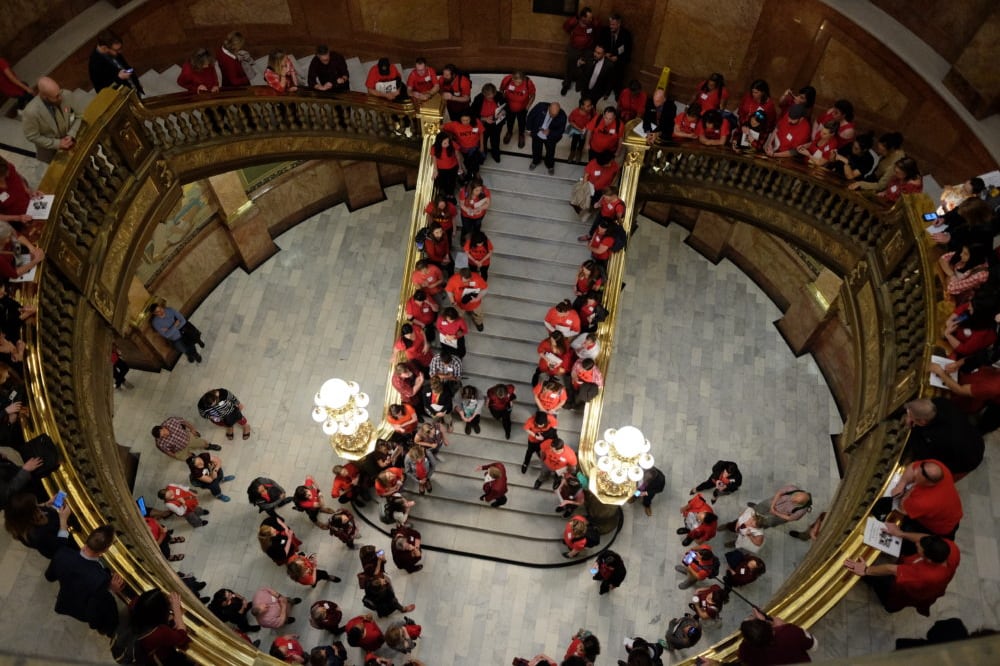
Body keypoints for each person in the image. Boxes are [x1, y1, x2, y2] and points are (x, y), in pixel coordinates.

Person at [844, 523, 959, 615]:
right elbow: (925, 538)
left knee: (885, 587)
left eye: (920, 548)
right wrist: (900, 533)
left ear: (928, 559)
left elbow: (891, 569)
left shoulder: (925, 575)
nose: (917, 544)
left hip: (909, 589)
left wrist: (866, 570)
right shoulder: (950, 548)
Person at [44, 525, 123, 636]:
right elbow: (94, 609)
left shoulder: (62, 554)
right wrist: (111, 590)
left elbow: (49, 577)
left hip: (66, 600)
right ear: (105, 550)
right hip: (83, 610)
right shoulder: (101, 578)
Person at [886, 459, 963, 538]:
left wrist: (909, 491)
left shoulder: (924, 502)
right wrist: (901, 484)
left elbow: (902, 508)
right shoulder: (938, 469)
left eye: (917, 476)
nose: (915, 472)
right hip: (951, 510)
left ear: (928, 482)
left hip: (942, 526)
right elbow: (912, 467)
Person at [21, 77, 83, 163]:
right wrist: (57, 143)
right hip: (51, 152)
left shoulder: (66, 94)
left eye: (59, 92)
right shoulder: (30, 112)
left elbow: (80, 116)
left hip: (73, 142)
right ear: (45, 97)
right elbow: (32, 136)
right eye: (56, 97)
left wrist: (71, 134)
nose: (61, 97)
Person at [3, 490, 72, 559]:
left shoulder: (24, 520)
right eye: (36, 508)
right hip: (62, 545)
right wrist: (63, 521)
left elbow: (39, 509)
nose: (39, 508)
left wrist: (47, 504)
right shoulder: (39, 535)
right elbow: (60, 545)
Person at [131, 589, 193, 664]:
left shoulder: (135, 604)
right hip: (161, 657)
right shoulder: (160, 633)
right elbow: (182, 638)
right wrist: (176, 609)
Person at [738, 608, 817, 665]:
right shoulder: (789, 632)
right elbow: (814, 645)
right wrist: (784, 625)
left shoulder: (745, 650)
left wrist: (761, 627)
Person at [89, 31, 143, 96]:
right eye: (117, 50)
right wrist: (119, 78)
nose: (120, 52)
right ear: (104, 48)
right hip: (123, 97)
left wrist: (137, 84)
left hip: (134, 90)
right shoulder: (95, 64)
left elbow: (125, 66)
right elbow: (101, 91)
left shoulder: (114, 52)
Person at [560, 7, 600, 96]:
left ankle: (580, 84)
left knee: (588, 66)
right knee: (570, 64)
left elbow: (598, 31)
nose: (591, 19)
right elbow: (565, 27)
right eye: (589, 17)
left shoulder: (592, 24)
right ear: (583, 17)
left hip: (587, 49)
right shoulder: (575, 22)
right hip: (574, 48)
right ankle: (566, 84)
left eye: (591, 17)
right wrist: (574, 19)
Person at [443, 110, 486, 184]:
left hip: (474, 148)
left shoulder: (476, 122)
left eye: (467, 120)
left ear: (471, 119)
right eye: (463, 120)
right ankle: (474, 174)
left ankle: (475, 174)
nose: (465, 122)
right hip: (462, 149)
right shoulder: (455, 125)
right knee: (467, 162)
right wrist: (449, 137)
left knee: (473, 160)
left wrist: (482, 146)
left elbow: (481, 132)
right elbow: (442, 127)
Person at [151, 416, 221, 460]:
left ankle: (208, 446)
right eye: (162, 436)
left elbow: (184, 422)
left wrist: (192, 429)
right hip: (179, 449)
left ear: (162, 427)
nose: (165, 435)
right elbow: (167, 451)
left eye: (163, 432)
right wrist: (174, 456)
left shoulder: (171, 421)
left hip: (188, 438)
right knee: (188, 458)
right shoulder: (160, 442)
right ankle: (194, 457)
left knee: (202, 443)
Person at [527, 102, 567, 175]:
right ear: (549, 108)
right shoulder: (540, 107)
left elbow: (561, 130)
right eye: (551, 114)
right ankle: (535, 161)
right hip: (537, 134)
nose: (553, 117)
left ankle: (550, 165)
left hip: (550, 138)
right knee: (536, 149)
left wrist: (550, 132)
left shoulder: (562, 116)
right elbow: (530, 116)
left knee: (550, 152)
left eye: (555, 115)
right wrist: (529, 129)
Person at [598, 13, 634, 95]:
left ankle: (617, 92)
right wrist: (604, 54)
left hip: (619, 62)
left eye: (613, 25)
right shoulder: (604, 31)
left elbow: (628, 52)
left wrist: (617, 58)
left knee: (619, 74)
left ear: (619, 24)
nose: (611, 26)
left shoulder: (626, 35)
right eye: (610, 24)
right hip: (605, 59)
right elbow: (599, 44)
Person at [748, 484, 812, 529]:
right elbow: (779, 493)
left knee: (770, 522)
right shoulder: (792, 488)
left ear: (801, 503)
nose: (792, 499)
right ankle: (756, 508)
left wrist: (775, 512)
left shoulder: (801, 511)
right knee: (762, 505)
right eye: (794, 496)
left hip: (781, 515)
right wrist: (772, 506)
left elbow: (790, 518)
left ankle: (762, 525)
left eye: (795, 501)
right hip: (774, 502)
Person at [471, 83, 506, 163]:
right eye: (488, 96)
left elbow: (505, 107)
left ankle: (495, 153)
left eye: (492, 95)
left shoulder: (499, 96)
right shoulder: (478, 99)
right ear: (484, 94)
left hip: (496, 123)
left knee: (495, 140)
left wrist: (502, 112)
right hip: (483, 124)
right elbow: (472, 113)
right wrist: (484, 119)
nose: (491, 98)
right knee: (483, 140)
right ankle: (483, 154)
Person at [445, 267, 487, 332]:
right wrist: (452, 301)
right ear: (460, 276)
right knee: (458, 315)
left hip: (475, 303)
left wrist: (477, 298)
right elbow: (449, 291)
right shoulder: (453, 280)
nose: (468, 282)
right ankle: (460, 325)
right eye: (465, 280)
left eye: (469, 280)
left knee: (479, 314)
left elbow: (485, 289)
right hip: (459, 303)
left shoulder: (477, 278)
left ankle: (479, 323)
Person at [501, 71, 536, 148]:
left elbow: (533, 95)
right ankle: (509, 132)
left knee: (522, 122)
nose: (517, 84)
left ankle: (521, 135)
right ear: (512, 78)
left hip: (522, 108)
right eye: (515, 81)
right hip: (509, 107)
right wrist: (503, 100)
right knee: (509, 121)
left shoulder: (528, 83)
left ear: (523, 79)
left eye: (519, 82)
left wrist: (528, 106)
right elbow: (501, 89)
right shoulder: (507, 79)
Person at [0, 158, 38, 229]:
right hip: (16, 220)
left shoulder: (7, 167)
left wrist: (27, 189)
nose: (8, 175)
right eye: (3, 176)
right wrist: (18, 218)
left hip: (30, 206)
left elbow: (18, 176)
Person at [457, 178, 491, 244]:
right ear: (471, 189)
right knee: (466, 228)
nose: (479, 192)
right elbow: (462, 204)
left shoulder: (485, 191)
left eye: (480, 190)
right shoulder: (464, 192)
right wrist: (469, 210)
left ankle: (475, 239)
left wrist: (480, 208)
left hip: (479, 215)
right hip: (466, 215)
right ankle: (464, 239)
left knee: (477, 227)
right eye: (476, 190)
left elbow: (487, 203)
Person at [430, 132, 460, 196]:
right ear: (439, 142)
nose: (448, 144)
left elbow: (457, 156)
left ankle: (451, 194)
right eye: (445, 143)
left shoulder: (452, 144)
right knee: (444, 182)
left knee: (452, 182)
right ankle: (446, 194)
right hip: (441, 169)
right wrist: (435, 169)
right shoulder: (434, 148)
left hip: (453, 167)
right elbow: (434, 158)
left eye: (448, 142)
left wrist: (460, 167)